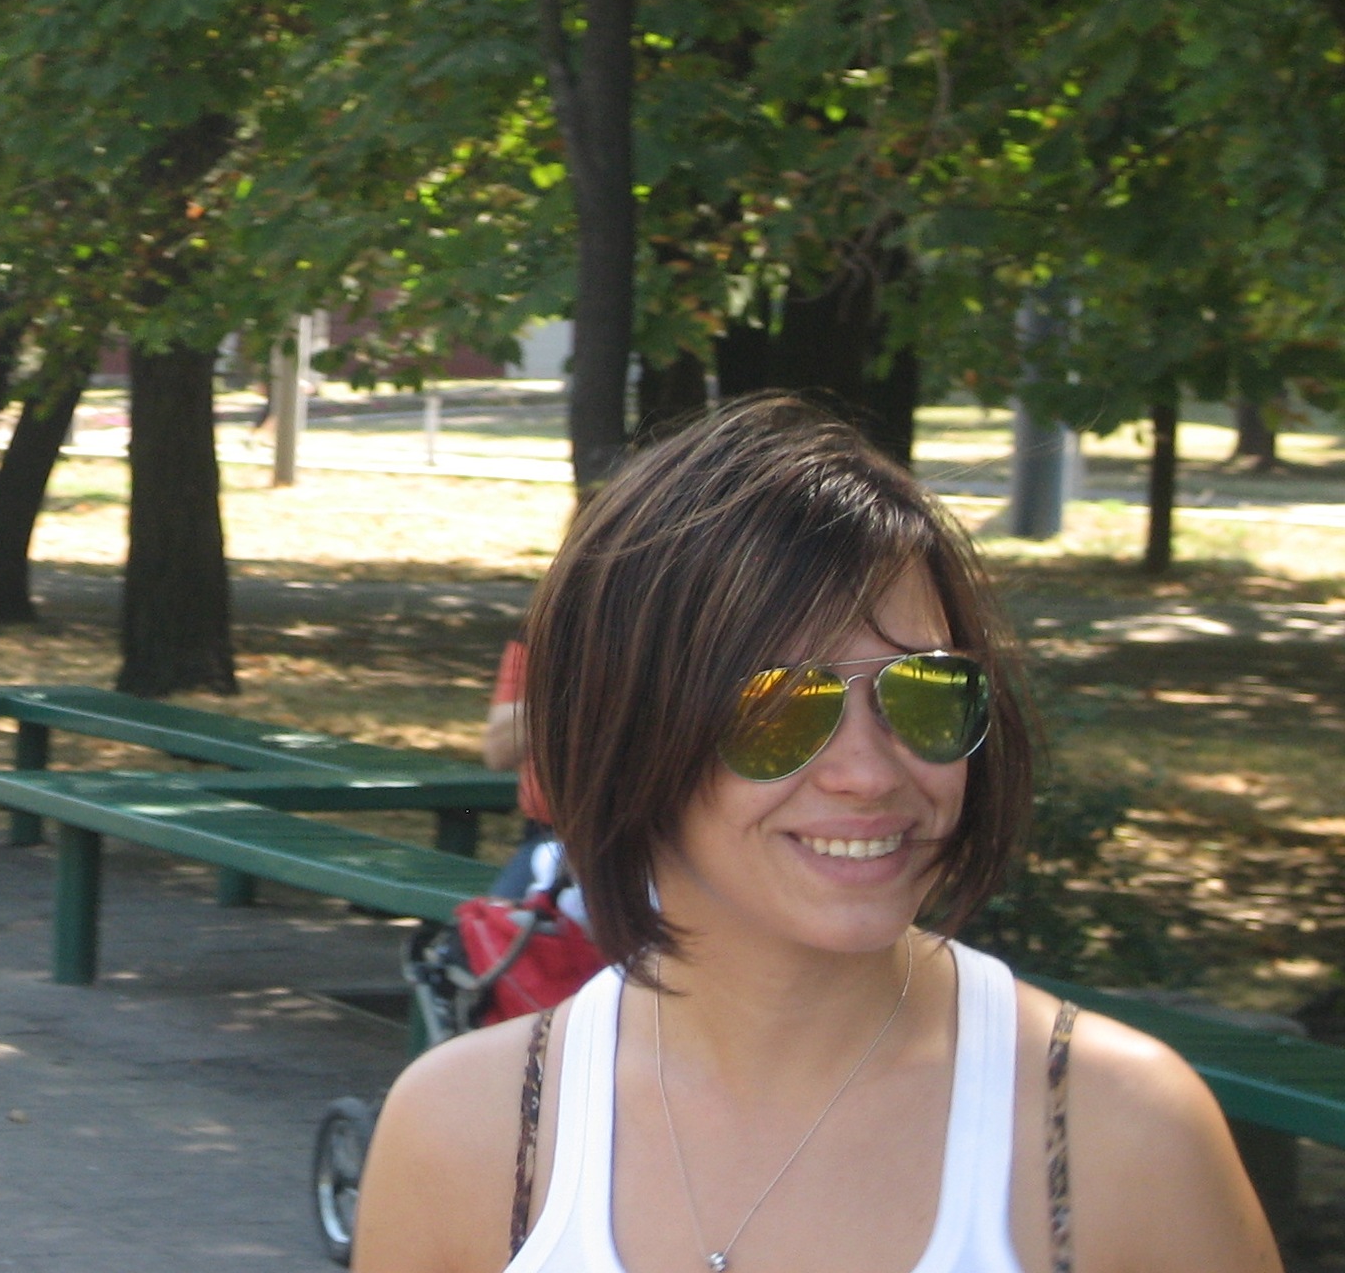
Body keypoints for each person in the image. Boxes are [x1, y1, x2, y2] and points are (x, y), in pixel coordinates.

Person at [355, 396, 1278, 1273]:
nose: (868, 772)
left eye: (926, 694)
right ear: (628, 731)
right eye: (781, 709)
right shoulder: (467, 1133)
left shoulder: (1116, 1134)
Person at [483, 637, 555, 900]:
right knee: (496, 922)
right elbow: (498, 754)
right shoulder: (540, 634)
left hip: (649, 840)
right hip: (551, 835)